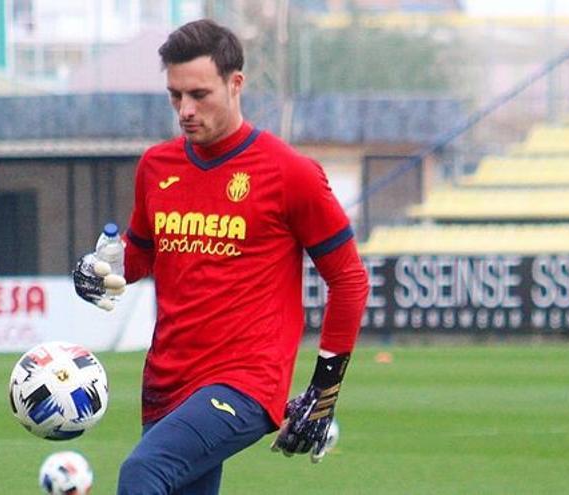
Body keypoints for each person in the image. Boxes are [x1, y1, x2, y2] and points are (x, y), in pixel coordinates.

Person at [73, 18, 369, 495]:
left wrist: (324, 390)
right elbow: (139, 257)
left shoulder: (290, 173)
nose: (185, 110)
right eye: (175, 96)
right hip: (167, 383)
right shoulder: (156, 166)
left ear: (236, 84)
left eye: (199, 94)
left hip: (245, 382)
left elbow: (349, 280)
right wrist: (96, 269)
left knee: (143, 473)